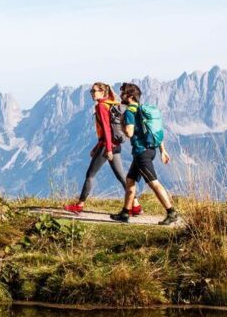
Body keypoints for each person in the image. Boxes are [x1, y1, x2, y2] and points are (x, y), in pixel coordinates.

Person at [64, 83, 141, 215]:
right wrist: (97, 147)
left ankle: (80, 205)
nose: (92, 93)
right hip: (115, 145)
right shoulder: (110, 103)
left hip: (108, 146)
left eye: (95, 91)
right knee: (122, 177)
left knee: (90, 175)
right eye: (91, 91)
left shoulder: (101, 106)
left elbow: (106, 128)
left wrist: (108, 149)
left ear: (102, 92)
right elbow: (110, 129)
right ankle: (136, 205)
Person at [113, 83, 178, 225]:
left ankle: (171, 211)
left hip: (142, 153)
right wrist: (163, 150)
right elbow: (153, 131)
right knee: (130, 181)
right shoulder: (142, 110)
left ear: (130, 96)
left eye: (123, 93)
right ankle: (125, 213)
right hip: (149, 150)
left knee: (153, 183)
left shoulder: (130, 111)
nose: (120, 95)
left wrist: (122, 123)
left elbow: (129, 133)